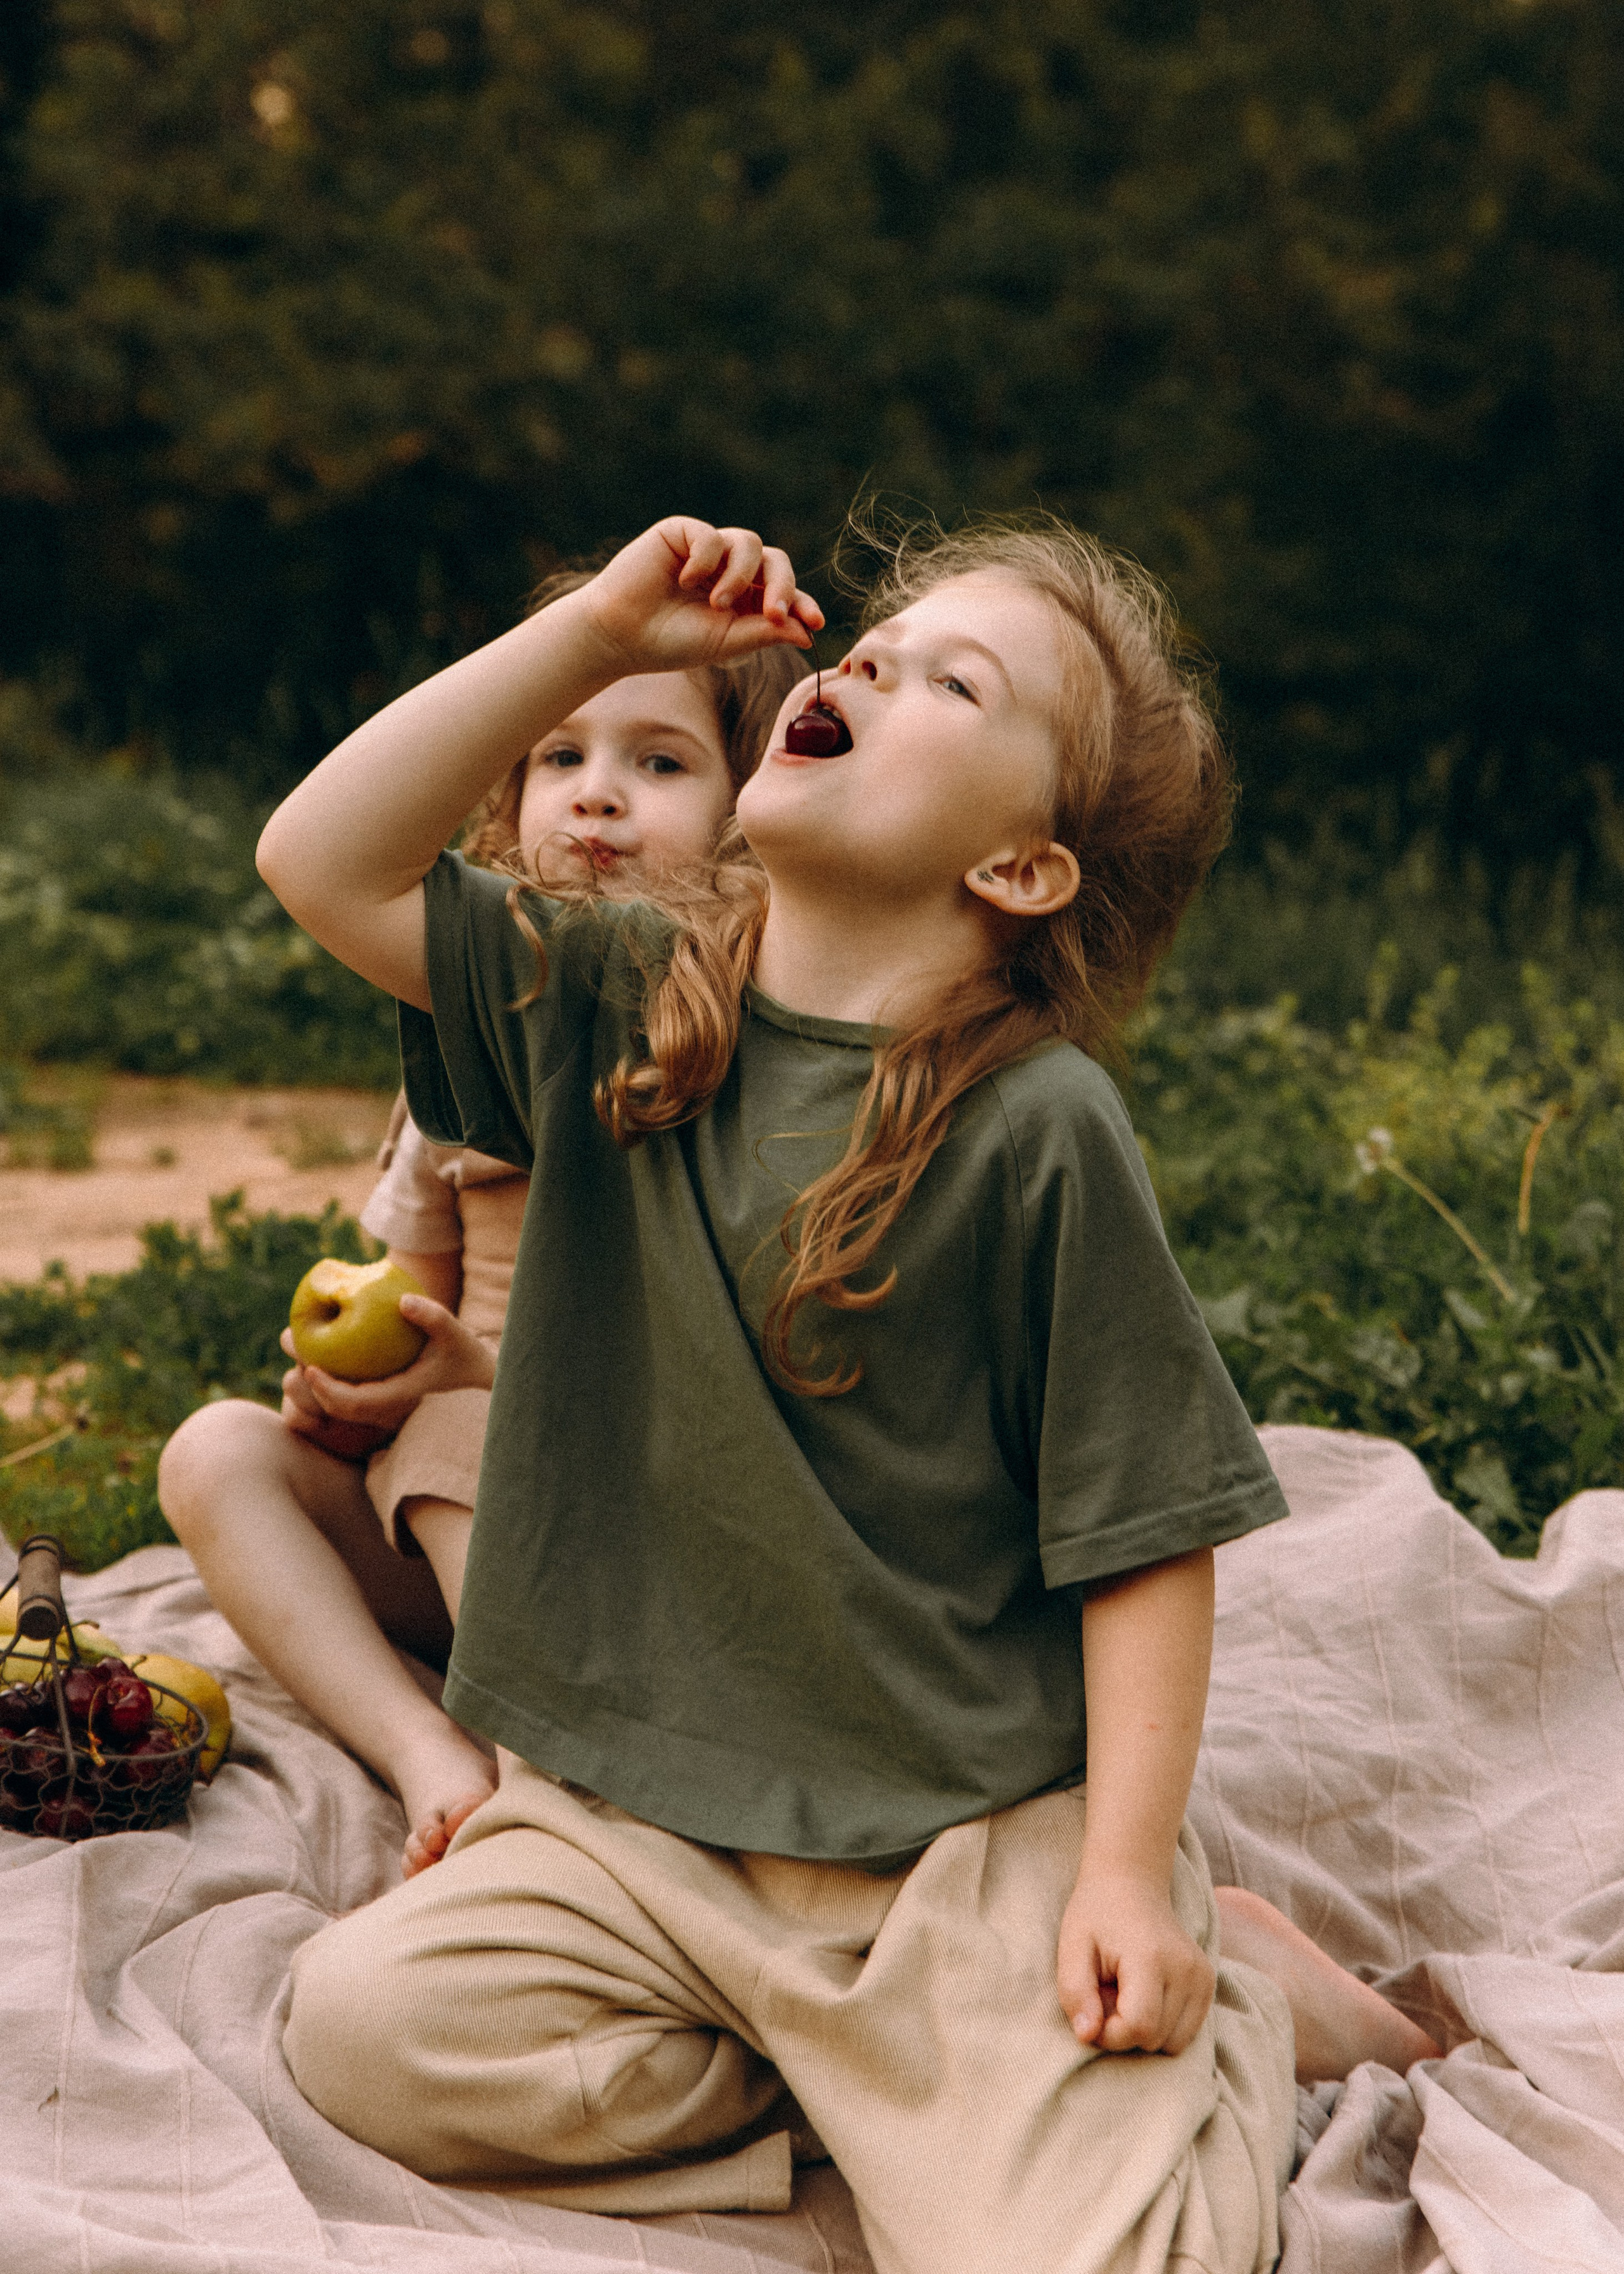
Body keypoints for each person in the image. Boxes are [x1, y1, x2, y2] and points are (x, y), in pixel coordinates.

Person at [257, 516, 1439, 2273]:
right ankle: (866, 2086)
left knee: (1119, 2261)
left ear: (1025, 871)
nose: (870, 665)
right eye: (874, 644)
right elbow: (320, 858)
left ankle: (1208, 2007)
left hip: (951, 1838)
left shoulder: (1036, 1130)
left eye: (955, 679)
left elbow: (1142, 1543)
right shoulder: (615, 1000)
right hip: (637, 1823)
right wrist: (594, 632)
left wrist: (1119, 1868)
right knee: (357, 2032)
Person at [157, 565, 808, 1876]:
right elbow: (411, 1304)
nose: (596, 789)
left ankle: (545, 1785)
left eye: (662, 760)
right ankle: (429, 1751)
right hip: (469, 1531)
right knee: (217, 1453)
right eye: (556, 753)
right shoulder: (477, 1026)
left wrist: (472, 1394)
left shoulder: (750, 1031)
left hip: (664, 1540)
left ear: (753, 807)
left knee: (468, 1417)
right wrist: (361, 1388)